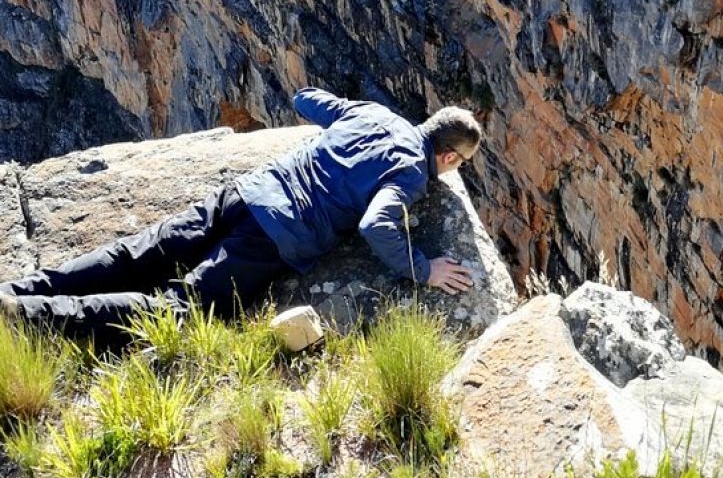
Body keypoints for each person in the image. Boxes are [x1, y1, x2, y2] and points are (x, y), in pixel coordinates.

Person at [0, 88, 480, 343]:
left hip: (243, 193)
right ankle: (29, 317)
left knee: (137, 253)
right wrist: (423, 268)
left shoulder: (373, 114)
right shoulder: (412, 174)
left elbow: (305, 99)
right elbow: (377, 224)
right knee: (180, 308)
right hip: (274, 236)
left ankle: (16, 292)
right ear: (450, 158)